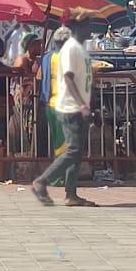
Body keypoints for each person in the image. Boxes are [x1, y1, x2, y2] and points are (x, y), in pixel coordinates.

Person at [31, 13, 96, 207]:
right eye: (88, 25)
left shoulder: (80, 50)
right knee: (73, 150)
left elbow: (82, 80)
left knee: (77, 152)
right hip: (68, 107)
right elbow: (68, 78)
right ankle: (41, 181)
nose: (91, 30)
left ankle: (71, 194)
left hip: (78, 106)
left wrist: (89, 106)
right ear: (78, 27)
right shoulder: (70, 49)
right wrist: (82, 105)